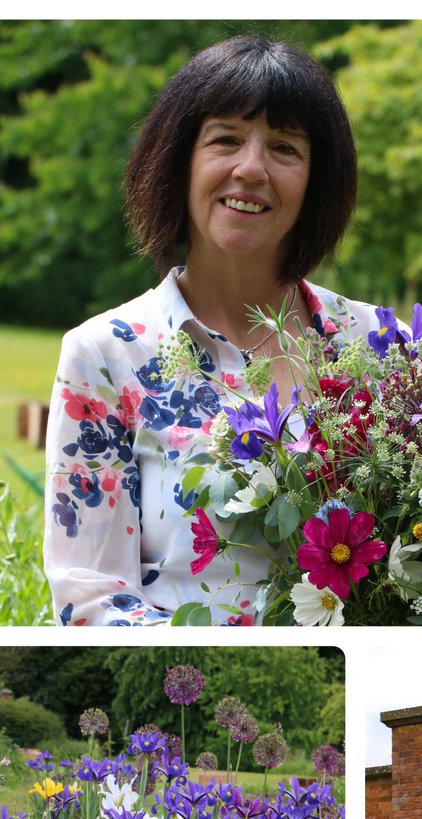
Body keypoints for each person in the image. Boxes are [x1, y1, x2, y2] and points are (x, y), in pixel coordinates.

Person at [43, 35, 384, 625]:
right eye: (225, 139)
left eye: (285, 147)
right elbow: (93, 596)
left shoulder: (376, 343)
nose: (250, 168)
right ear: (180, 161)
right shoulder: (104, 355)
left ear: (317, 181)